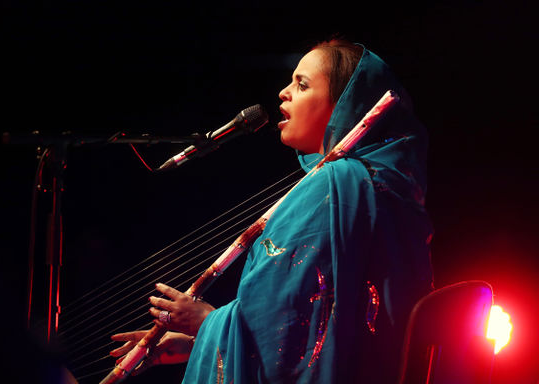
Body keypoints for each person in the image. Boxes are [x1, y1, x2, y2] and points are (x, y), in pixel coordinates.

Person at [110, 38, 433, 383]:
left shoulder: (335, 184)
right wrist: (198, 342)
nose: (283, 92)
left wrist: (206, 322)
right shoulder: (379, 188)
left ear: (344, 105)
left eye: (302, 84)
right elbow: (323, 335)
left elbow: (287, 331)